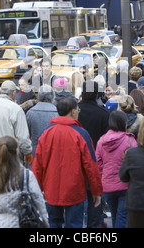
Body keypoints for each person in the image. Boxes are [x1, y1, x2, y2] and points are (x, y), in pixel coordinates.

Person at [32, 96, 103, 228]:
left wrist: (36, 189)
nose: (79, 111)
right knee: (74, 224)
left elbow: (37, 165)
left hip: (51, 187)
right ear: (72, 111)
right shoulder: (81, 134)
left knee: (53, 222)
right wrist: (96, 190)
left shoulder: (46, 133)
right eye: (78, 108)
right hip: (74, 189)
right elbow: (91, 165)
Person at [0, 136, 48, 228]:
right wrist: (45, 223)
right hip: (20, 223)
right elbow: (39, 202)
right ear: (16, 152)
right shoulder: (26, 175)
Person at [95, 110, 137, 228]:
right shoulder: (130, 140)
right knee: (123, 217)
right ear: (124, 123)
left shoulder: (101, 141)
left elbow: (98, 163)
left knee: (114, 215)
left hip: (107, 184)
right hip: (125, 184)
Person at [77, 81, 109, 228]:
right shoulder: (103, 113)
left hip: (75, 158)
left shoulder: (75, 112)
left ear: (82, 93)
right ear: (97, 94)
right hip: (95, 158)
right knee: (94, 196)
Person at [0, 80, 33, 166]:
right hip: (9, 153)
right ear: (13, 92)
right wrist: (28, 152)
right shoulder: (16, 109)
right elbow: (22, 136)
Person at [26, 85, 59, 158]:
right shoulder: (58, 113)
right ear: (53, 97)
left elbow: (27, 134)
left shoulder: (30, 112)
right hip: (53, 152)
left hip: (35, 151)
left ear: (39, 97)